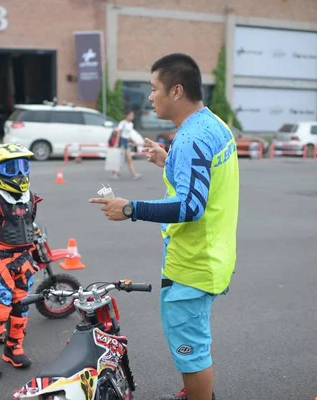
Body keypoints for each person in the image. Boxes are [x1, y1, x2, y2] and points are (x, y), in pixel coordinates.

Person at [89, 53, 239, 400]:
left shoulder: (190, 139)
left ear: (176, 91)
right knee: (195, 343)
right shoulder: (213, 124)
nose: (150, 97)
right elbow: (205, 180)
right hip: (213, 254)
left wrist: (130, 208)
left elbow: (190, 205)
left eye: (155, 89)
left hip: (193, 263)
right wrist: (169, 161)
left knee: (192, 354)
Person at [0, 143, 43, 379]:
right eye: (12, 168)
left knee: (22, 305)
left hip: (24, 258)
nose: (20, 173)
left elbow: (30, 225)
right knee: (0, 309)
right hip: (0, 258)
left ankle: (13, 348)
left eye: (23, 166)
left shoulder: (30, 198)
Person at [111, 110, 142, 180]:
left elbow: (127, 135)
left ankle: (134, 174)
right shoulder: (122, 123)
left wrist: (132, 141)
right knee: (119, 159)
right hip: (121, 141)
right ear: (127, 115)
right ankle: (115, 173)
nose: (132, 117)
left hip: (126, 141)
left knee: (129, 159)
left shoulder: (131, 124)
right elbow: (119, 133)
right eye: (131, 115)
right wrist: (116, 143)